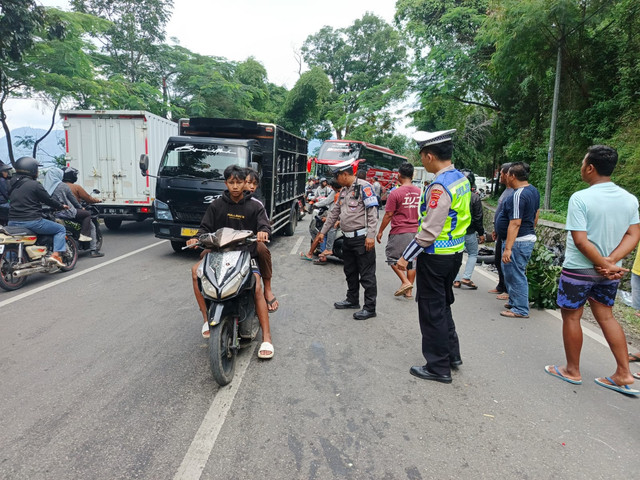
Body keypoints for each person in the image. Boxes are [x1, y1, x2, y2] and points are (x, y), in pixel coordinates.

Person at [544, 145, 640, 394]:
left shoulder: (581, 198)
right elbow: (633, 234)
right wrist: (611, 262)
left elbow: (580, 240)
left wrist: (601, 262)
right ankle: (623, 373)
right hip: (611, 272)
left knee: (572, 316)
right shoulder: (630, 199)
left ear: (590, 167)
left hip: (579, 270)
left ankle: (572, 370)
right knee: (607, 316)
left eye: (583, 163)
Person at [396, 129, 471, 384]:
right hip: (454, 254)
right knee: (443, 305)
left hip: (435, 255)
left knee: (431, 310)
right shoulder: (460, 179)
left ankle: (438, 367)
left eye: (422, 157)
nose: (422, 162)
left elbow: (429, 230)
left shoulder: (439, 186)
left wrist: (405, 257)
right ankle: (452, 354)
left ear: (429, 156)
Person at [187, 165, 274, 359]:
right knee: (195, 272)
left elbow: (265, 227)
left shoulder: (255, 206)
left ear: (245, 183)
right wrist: (196, 238)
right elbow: (204, 229)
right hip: (219, 253)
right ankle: (205, 319)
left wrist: (263, 233)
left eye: (239, 182)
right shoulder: (216, 205)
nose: (235, 186)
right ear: (226, 183)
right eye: (231, 182)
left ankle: (266, 338)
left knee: (257, 287)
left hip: (245, 255)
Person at [316, 159, 378, 320]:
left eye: (337, 176)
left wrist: (371, 236)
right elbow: (334, 213)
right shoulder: (344, 191)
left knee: (367, 275)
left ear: (345, 174)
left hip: (362, 239)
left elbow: (372, 213)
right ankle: (352, 300)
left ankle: (370, 308)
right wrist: (323, 232)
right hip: (347, 239)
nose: (336, 179)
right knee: (350, 271)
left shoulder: (365, 187)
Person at [495, 162, 540, 318]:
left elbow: (515, 222)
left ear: (512, 176)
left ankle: (520, 308)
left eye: (507, 174)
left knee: (515, 273)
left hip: (518, 241)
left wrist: (508, 248)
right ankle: (515, 302)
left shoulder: (519, 194)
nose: (505, 177)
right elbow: (536, 214)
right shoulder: (533, 190)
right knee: (511, 272)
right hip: (524, 238)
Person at [7, 157, 69, 267]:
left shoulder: (11, 183)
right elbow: (48, 200)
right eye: (36, 168)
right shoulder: (35, 185)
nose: (38, 171)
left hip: (12, 221)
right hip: (32, 221)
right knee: (60, 229)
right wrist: (61, 206)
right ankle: (56, 255)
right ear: (31, 169)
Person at [376, 162, 421, 298]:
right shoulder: (420, 192)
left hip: (400, 231)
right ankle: (409, 291)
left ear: (398, 175)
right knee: (412, 260)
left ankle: (405, 282)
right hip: (416, 231)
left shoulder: (395, 193)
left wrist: (380, 231)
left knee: (391, 257)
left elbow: (389, 214)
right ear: (413, 175)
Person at [44, 167, 105, 258]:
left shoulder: (45, 188)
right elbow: (74, 200)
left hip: (52, 213)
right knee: (89, 219)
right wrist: (81, 208)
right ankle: (92, 248)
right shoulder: (66, 186)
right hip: (67, 212)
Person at [245, 168, 278, 312]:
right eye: (248, 182)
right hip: (228, 245)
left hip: (249, 243)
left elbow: (264, 223)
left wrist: (263, 231)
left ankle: (268, 289)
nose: (251, 186)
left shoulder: (256, 204)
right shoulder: (222, 202)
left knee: (262, 249)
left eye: (254, 183)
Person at [453, 170, 485, 289]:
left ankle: (455, 280)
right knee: (473, 253)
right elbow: (478, 217)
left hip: (456, 231)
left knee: (456, 254)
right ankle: (466, 277)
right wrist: (481, 233)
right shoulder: (475, 197)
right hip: (470, 232)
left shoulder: (454, 195)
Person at [489, 163, 512, 297]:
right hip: (500, 233)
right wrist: (496, 228)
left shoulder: (513, 192)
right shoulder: (505, 191)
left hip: (508, 234)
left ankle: (508, 290)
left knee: (506, 263)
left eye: (502, 174)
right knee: (498, 260)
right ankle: (501, 286)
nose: (500, 177)